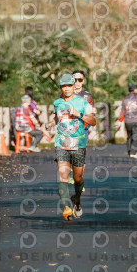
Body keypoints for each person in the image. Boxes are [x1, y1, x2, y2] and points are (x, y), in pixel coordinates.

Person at [50, 74, 96, 220]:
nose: (66, 88)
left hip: (78, 144)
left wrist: (79, 115)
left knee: (78, 178)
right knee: (63, 175)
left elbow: (93, 121)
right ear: (61, 87)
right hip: (61, 143)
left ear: (73, 86)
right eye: (63, 86)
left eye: (69, 85)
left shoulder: (82, 102)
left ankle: (77, 200)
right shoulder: (57, 103)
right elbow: (57, 117)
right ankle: (66, 207)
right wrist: (51, 123)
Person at [118, 83, 137, 158]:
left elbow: (123, 111)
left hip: (127, 120)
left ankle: (129, 151)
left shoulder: (125, 99)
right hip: (136, 119)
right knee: (136, 135)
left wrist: (120, 120)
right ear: (135, 89)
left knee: (129, 136)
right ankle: (133, 152)